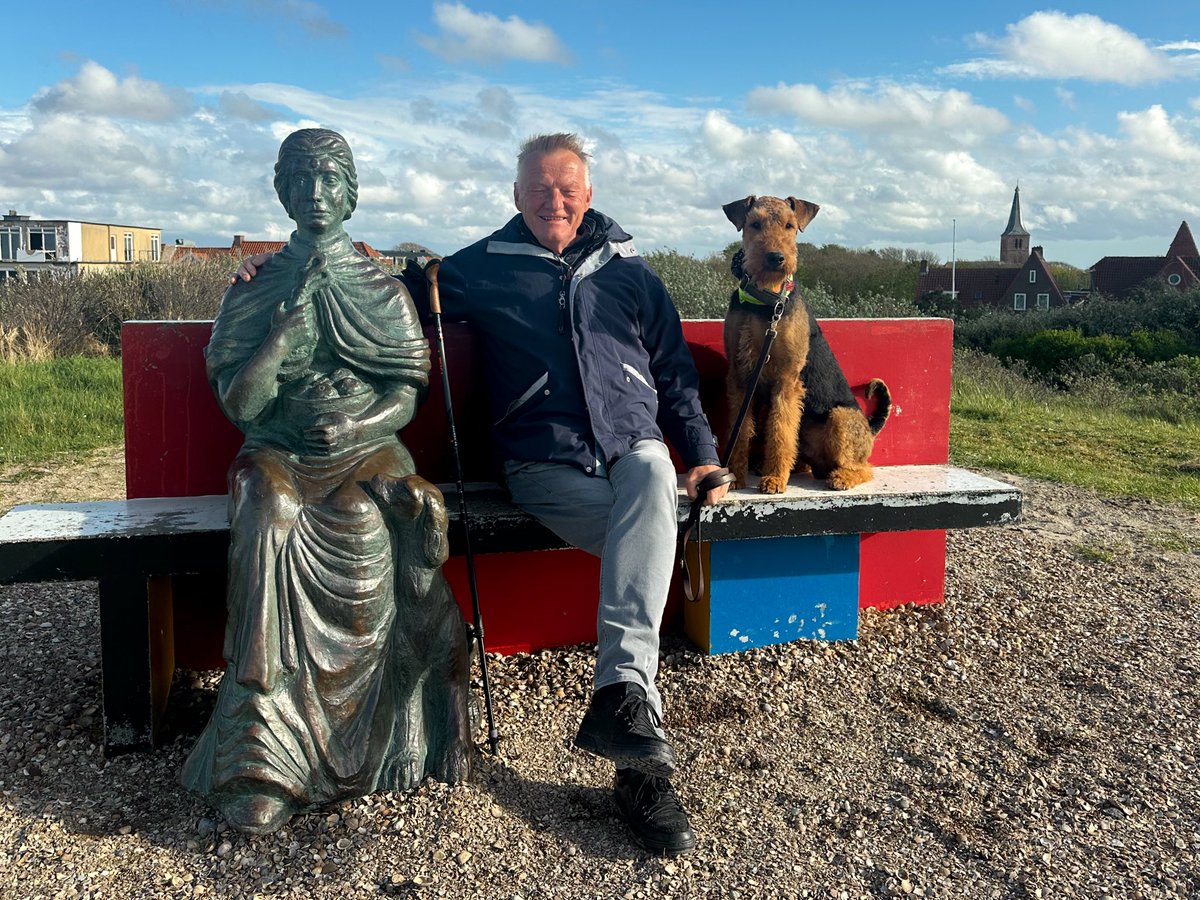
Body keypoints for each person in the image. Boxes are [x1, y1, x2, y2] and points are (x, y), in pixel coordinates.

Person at [236, 132, 729, 855]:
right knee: (649, 540)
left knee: (655, 476)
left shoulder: (635, 274)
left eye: (566, 188)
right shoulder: (482, 267)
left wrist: (707, 458)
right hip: (544, 467)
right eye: (538, 187)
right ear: (516, 194)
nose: (552, 200)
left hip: (633, 454)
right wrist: (277, 267)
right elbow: (393, 292)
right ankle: (636, 757)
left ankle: (628, 711)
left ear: (588, 194)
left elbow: (677, 374)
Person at [188, 128, 472, 836]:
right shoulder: (254, 287)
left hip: (366, 450)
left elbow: (407, 391)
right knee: (265, 505)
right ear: (283, 193)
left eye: (328, 181)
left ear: (350, 192)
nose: (316, 196)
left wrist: (355, 428)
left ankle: (371, 739)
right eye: (301, 182)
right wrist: (279, 341)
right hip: (277, 450)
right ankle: (260, 756)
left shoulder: (378, 284)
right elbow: (239, 405)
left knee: (366, 526)